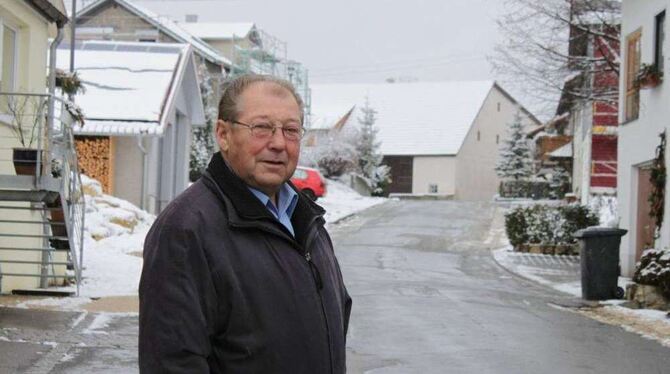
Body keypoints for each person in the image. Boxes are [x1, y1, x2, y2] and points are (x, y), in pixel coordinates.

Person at [139, 75, 352, 373]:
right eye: (262, 128)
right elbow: (173, 361)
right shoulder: (186, 230)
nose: (278, 143)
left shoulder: (307, 222)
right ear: (223, 134)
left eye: (290, 130)